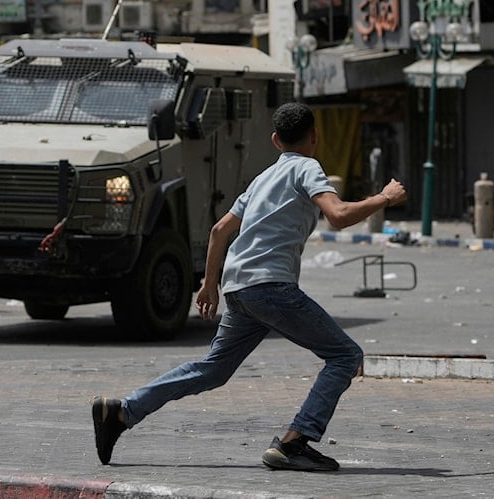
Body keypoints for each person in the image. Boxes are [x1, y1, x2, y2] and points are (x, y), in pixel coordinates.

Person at [92, 101, 407, 472]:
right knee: (345, 357)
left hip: (239, 289)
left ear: (275, 140)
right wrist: (384, 198)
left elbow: (219, 230)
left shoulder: (262, 179)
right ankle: (295, 443)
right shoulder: (307, 167)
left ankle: (123, 411)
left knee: (212, 370)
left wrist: (210, 285)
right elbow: (337, 215)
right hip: (271, 287)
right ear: (315, 137)